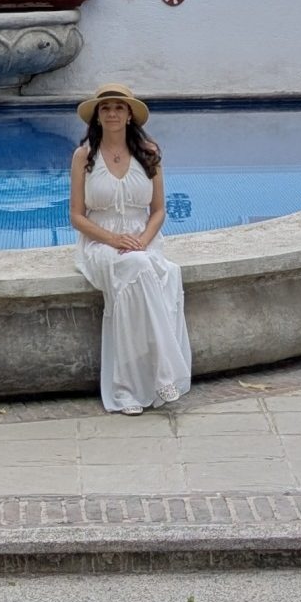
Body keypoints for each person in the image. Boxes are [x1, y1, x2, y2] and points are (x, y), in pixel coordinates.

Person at [69, 83, 192, 414]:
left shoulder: (149, 153)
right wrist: (112, 239)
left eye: (118, 107)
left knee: (156, 269)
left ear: (128, 116)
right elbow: (77, 216)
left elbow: (159, 210)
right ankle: (136, 384)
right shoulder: (84, 157)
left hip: (143, 242)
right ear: (97, 116)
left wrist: (143, 239)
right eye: (105, 107)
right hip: (99, 244)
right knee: (137, 268)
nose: (111, 112)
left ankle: (142, 381)